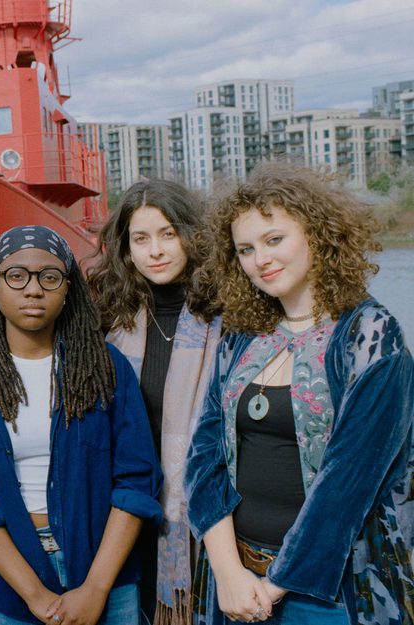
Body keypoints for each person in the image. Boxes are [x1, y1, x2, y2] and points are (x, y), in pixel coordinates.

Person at [185, 164, 414, 625]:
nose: (260, 259)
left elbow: (348, 483)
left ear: (317, 234)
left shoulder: (370, 336)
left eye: (274, 240)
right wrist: (228, 572)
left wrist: (272, 588)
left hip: (332, 591)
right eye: (246, 249)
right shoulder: (241, 336)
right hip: (237, 579)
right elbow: (203, 455)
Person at [0, 225, 163, 625]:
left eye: (50, 277)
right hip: (6, 585)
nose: (33, 290)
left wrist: (96, 589)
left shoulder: (107, 368)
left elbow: (135, 482)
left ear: (68, 288)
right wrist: (35, 595)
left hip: (103, 571)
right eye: (16, 276)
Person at [87, 180, 221, 624]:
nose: (156, 251)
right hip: (127, 512)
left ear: (191, 235)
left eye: (168, 234)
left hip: (207, 517)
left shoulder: (228, 318)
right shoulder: (111, 320)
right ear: (125, 249)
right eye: (141, 239)